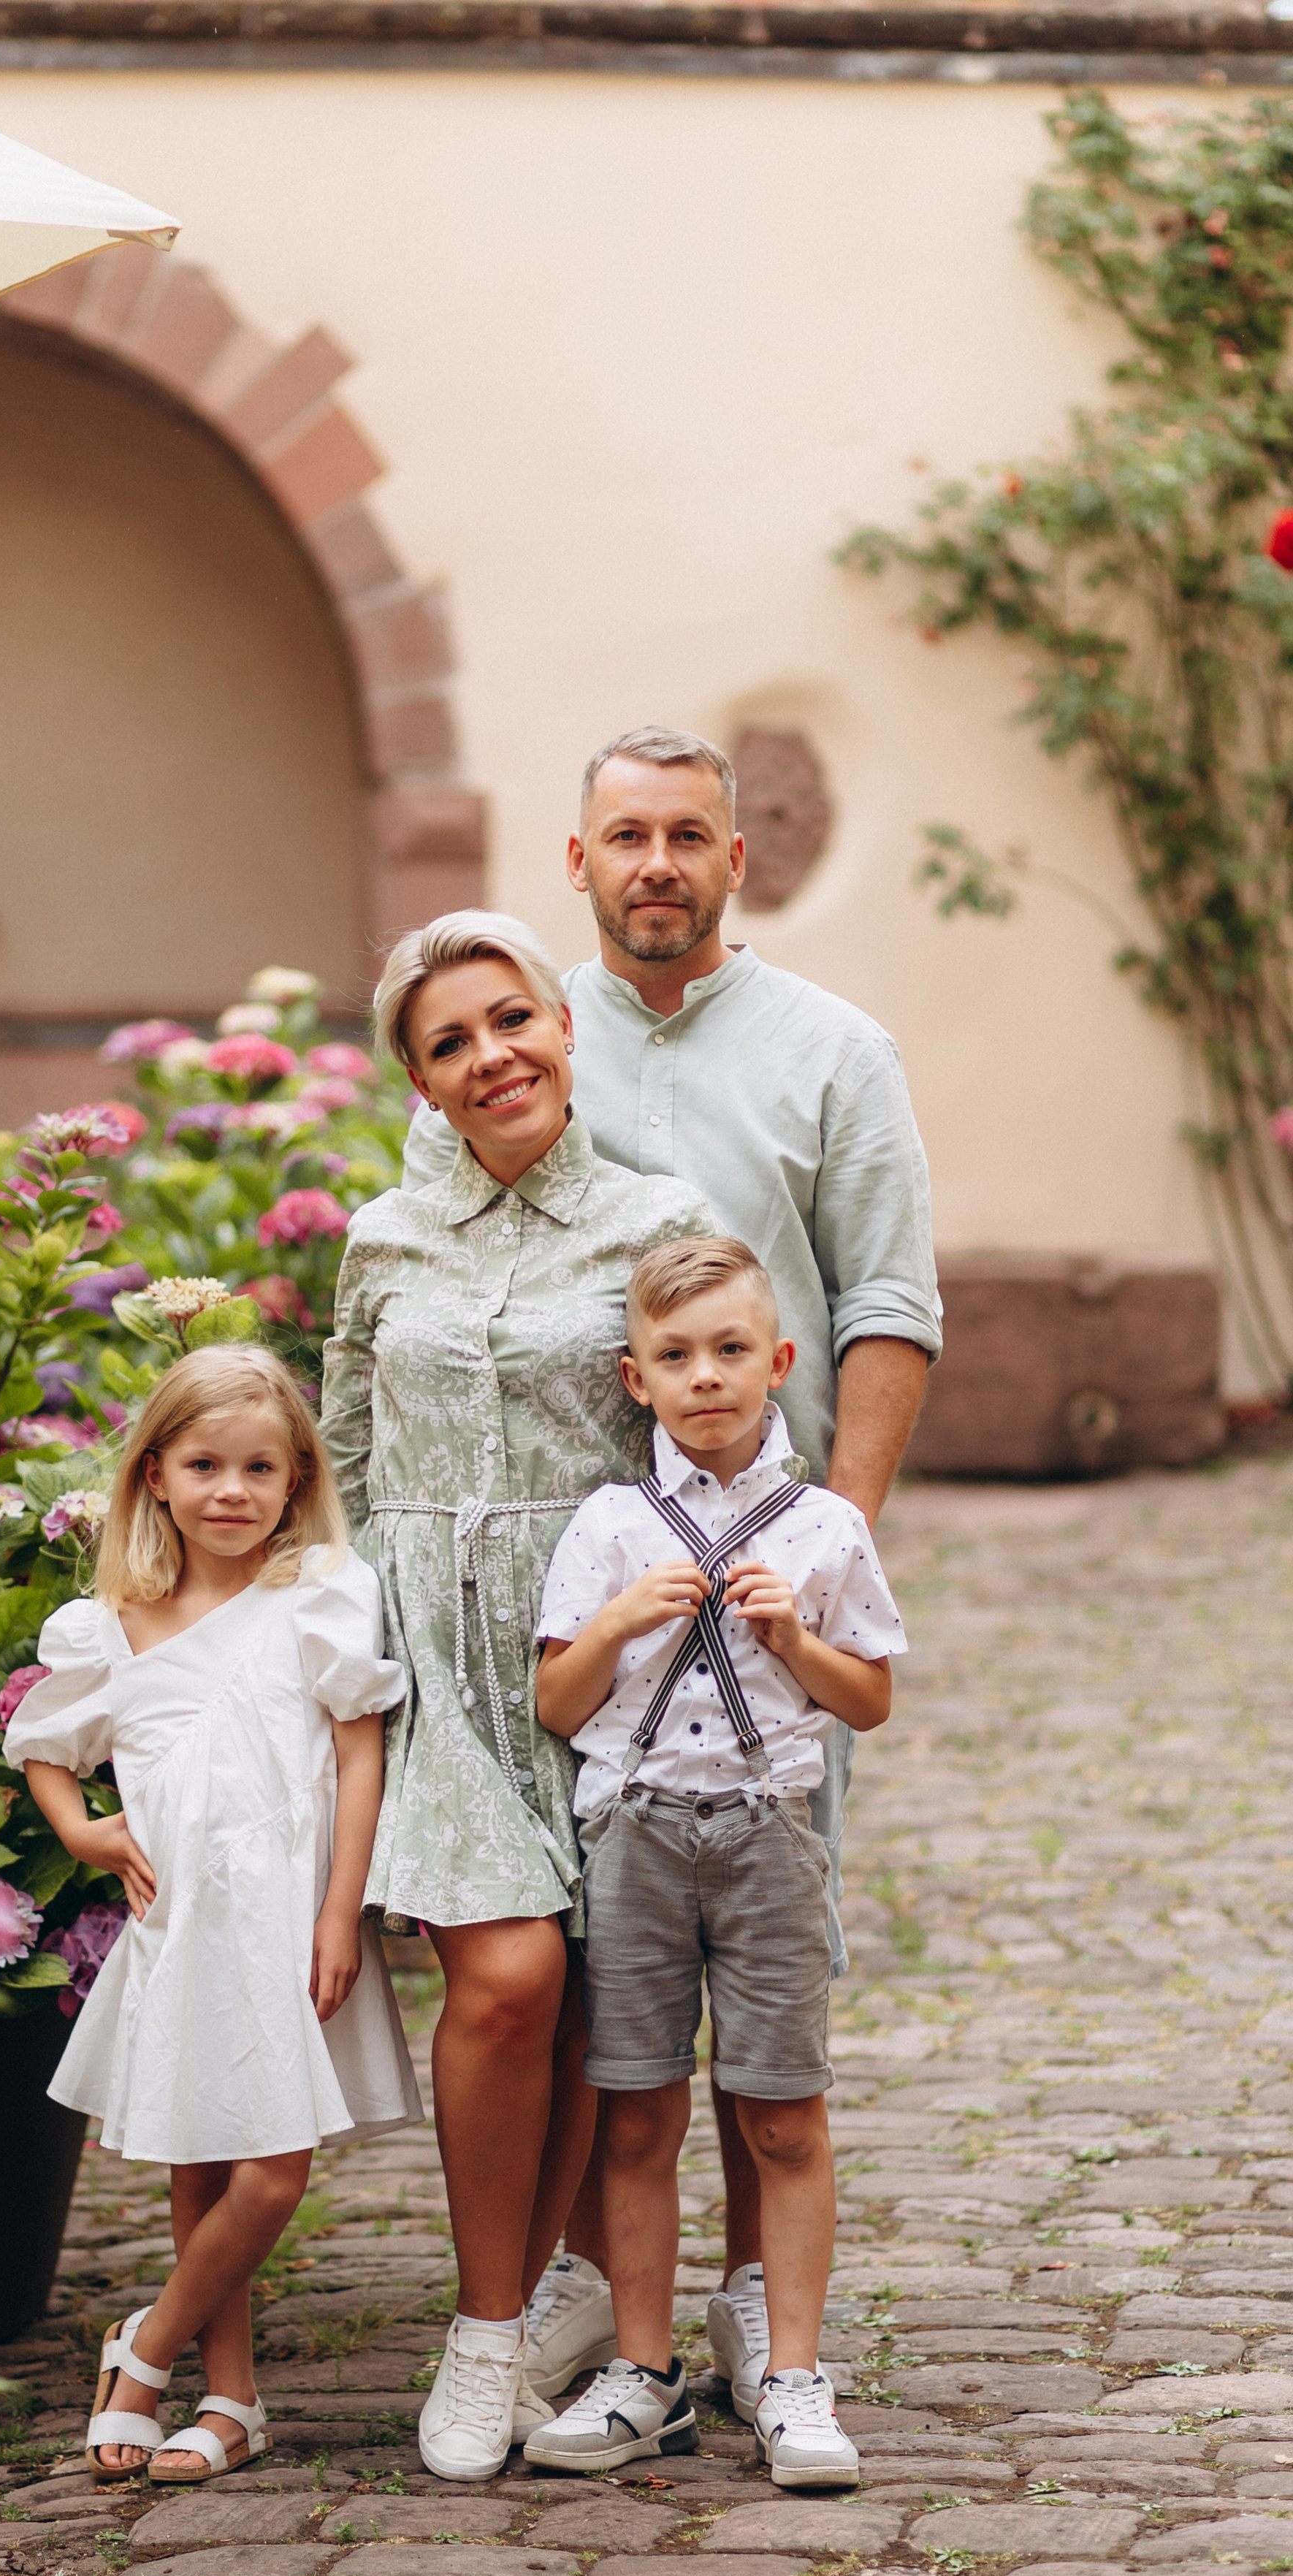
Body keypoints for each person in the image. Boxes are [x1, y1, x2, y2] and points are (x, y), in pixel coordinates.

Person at [401, 726, 940, 2422]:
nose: (655, 864)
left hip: (753, 1603)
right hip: (553, 1609)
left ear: (731, 855)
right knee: (590, 1960)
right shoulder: (520, 1024)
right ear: (576, 860)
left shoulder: (833, 1053)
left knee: (753, 1941)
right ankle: (592, 2296)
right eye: (623, 836)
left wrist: (812, 1548)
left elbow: (886, 1308)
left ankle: (739, 2309)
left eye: (685, 836)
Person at [319, 912, 716, 2480]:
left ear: (561, 1023)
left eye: (511, 1020)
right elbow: (347, 1451)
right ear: (415, 1079)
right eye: (447, 1041)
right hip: (433, 1655)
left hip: (599, 1647)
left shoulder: (654, 1219)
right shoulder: (377, 1240)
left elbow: (717, 1415)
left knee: (588, 1990)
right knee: (500, 1979)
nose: (490, 1056)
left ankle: (553, 2296)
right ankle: (485, 2336)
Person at [523, 1235, 905, 2486]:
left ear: (778, 1364)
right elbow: (557, 1703)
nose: (704, 1376)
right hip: (634, 1835)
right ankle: (644, 2373)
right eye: (675, 1356)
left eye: (730, 1350)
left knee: (783, 2110)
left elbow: (870, 1701)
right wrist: (625, 1619)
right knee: (635, 2109)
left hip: (767, 1839)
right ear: (636, 1380)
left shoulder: (826, 1525)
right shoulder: (610, 1523)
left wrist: (793, 1635)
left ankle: (791, 2371)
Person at [4, 1344, 420, 2482]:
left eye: (259, 1468)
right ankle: (231, 2397)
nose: (231, 1490)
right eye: (203, 1465)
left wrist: (344, 1912)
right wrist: (85, 1829)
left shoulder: (319, 1595)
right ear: (154, 1476)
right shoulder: (112, 1622)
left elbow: (358, 1753)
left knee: (271, 2169)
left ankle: (143, 2349)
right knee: (201, 2153)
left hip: (287, 1911)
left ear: (295, 1480)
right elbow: (43, 1745)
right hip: (182, 1917)